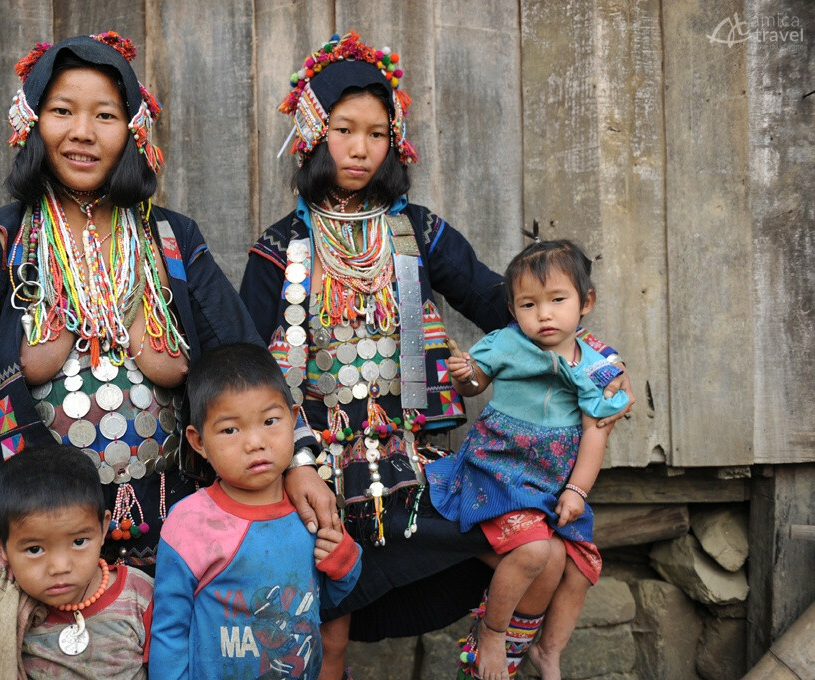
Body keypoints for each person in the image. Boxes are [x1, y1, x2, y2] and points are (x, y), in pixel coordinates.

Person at [240, 31, 635, 679]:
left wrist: (583, 362)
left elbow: (497, 303)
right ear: (314, 131)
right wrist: (294, 466)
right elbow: (250, 370)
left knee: (542, 549)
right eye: (344, 129)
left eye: (376, 132)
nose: (361, 148)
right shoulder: (280, 248)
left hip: (411, 465)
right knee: (326, 638)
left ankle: (493, 656)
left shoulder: (416, 231)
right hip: (315, 475)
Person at [0, 31, 329, 630]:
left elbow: (245, 361)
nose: (83, 132)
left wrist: (302, 461)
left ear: (132, 129)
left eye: (104, 115)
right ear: (31, 122)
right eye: (62, 112)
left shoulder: (173, 241)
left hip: (176, 524)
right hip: (42, 540)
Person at [425, 240, 628, 679]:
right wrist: (466, 376)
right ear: (514, 310)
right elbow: (474, 384)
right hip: (499, 471)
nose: (544, 314)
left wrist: (577, 490)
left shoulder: (597, 368)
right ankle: (493, 632)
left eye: (558, 300)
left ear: (585, 302)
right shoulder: (505, 344)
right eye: (528, 304)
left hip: (552, 484)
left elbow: (596, 433)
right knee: (536, 551)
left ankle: (549, 651)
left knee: (581, 565)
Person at [149, 343, 362, 679]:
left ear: (293, 420)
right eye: (230, 429)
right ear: (198, 441)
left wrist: (344, 562)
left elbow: (325, 599)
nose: (255, 443)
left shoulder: (308, 511)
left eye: (270, 421)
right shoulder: (189, 522)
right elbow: (169, 629)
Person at [0, 443, 153, 679]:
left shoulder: (139, 598)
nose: (60, 567)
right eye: (35, 549)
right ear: (1, 545)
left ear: (102, 529)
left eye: (79, 542)